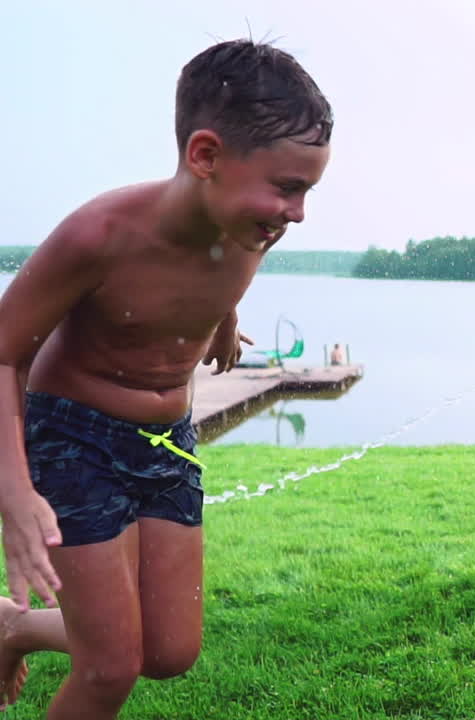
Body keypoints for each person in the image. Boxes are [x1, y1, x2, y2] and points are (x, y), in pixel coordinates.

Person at [0, 39, 332, 718]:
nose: (297, 212)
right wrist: (15, 494)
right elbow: (4, 355)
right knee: (109, 669)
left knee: (169, 652)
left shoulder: (249, 229)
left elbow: (204, 275)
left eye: (306, 191)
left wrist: (223, 320)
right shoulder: (100, 234)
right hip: (74, 440)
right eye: (287, 188)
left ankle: (14, 627)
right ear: (205, 156)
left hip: (167, 441)